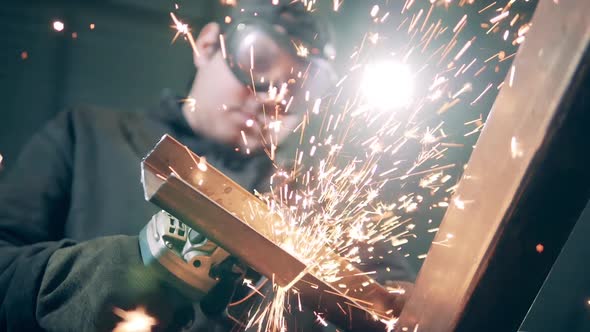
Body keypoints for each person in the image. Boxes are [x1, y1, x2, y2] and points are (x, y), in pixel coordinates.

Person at [0, 1, 415, 331]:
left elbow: (403, 304)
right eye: (259, 63)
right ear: (209, 45)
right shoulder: (87, 134)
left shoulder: (309, 199)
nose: (271, 98)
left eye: (298, 89)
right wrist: (83, 279)